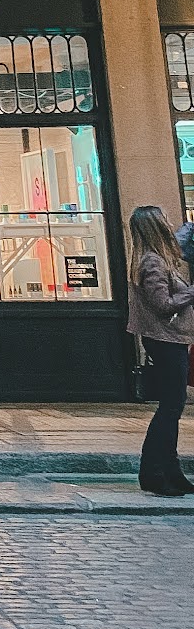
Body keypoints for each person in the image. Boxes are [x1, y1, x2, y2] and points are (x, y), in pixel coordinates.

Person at [126, 204, 194, 496]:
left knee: (172, 406)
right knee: (170, 407)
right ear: (156, 225)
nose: (169, 223)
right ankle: (153, 472)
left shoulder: (158, 259)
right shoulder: (152, 262)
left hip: (171, 339)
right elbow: (163, 305)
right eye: (164, 219)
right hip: (166, 340)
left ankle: (171, 471)